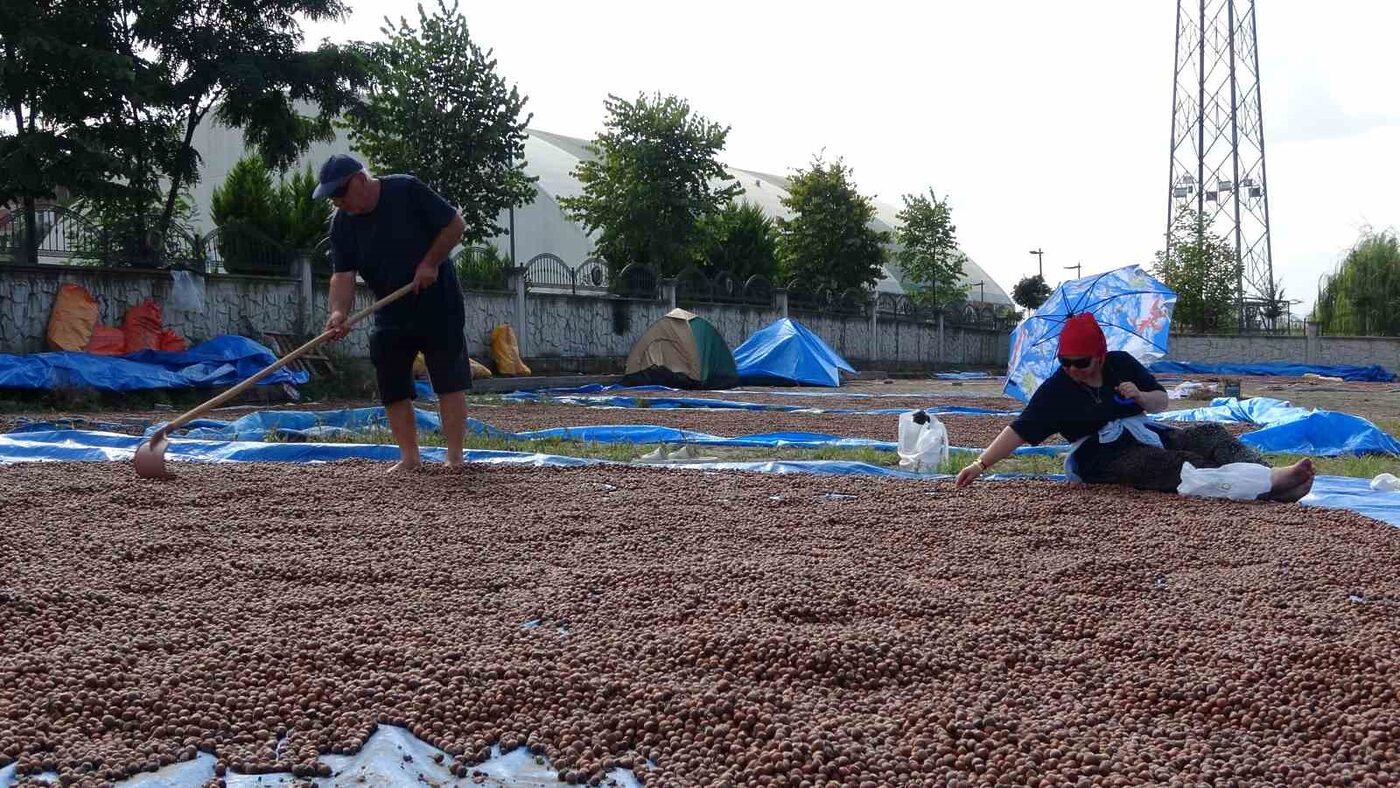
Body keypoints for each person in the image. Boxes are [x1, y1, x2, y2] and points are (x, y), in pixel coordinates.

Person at [954, 313, 1315, 501]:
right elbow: (1019, 429)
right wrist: (980, 463)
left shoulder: (1122, 364)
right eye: (1065, 361)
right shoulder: (1057, 389)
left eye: (1080, 361)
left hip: (1146, 431)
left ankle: (1264, 474)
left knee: (1209, 433)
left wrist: (1140, 398)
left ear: (1099, 355)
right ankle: (1267, 485)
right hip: (1101, 455)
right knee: (1173, 465)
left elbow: (1161, 402)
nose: (1072, 369)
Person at [315, 154, 470, 472]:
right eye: (332, 198)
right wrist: (338, 313)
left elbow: (455, 224)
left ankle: (454, 457)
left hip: (438, 302)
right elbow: (343, 275)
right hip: (390, 307)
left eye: (340, 194)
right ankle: (410, 459)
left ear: (359, 180)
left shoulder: (406, 191)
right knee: (391, 381)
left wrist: (430, 262)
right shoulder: (342, 223)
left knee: (448, 379)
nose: (338, 203)